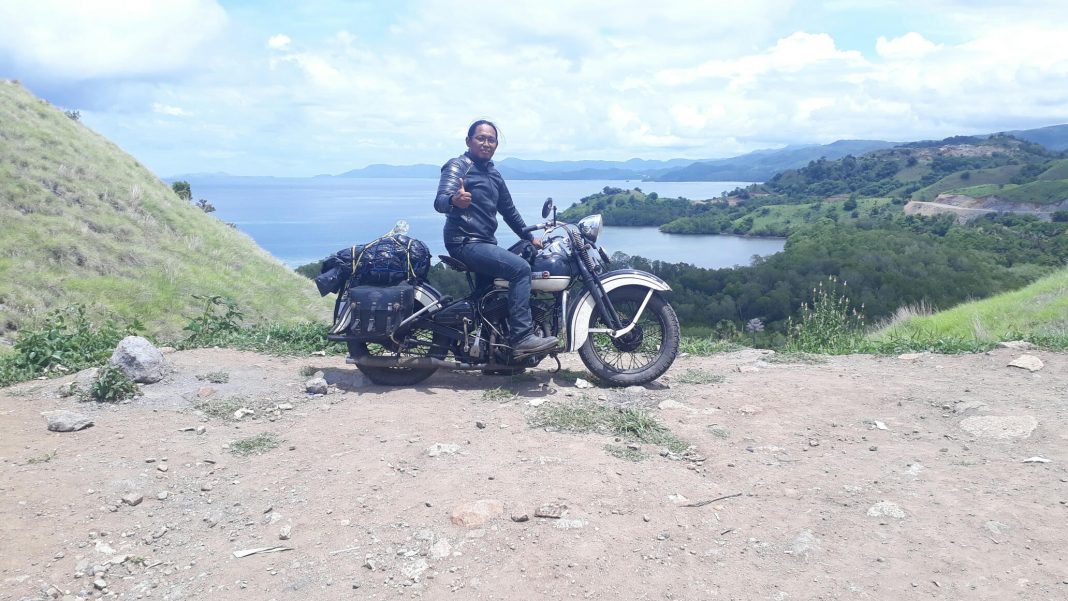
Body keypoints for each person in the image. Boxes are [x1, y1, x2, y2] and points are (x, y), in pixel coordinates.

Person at [434, 119, 557, 355]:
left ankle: (490, 352)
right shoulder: (458, 166)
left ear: (496, 145)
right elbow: (440, 201)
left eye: (491, 140)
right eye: (481, 138)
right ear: (468, 141)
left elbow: (509, 212)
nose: (486, 143)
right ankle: (522, 337)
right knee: (520, 269)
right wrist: (454, 200)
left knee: (494, 289)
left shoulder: (493, 174)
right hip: (464, 241)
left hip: (484, 243)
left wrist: (530, 238)